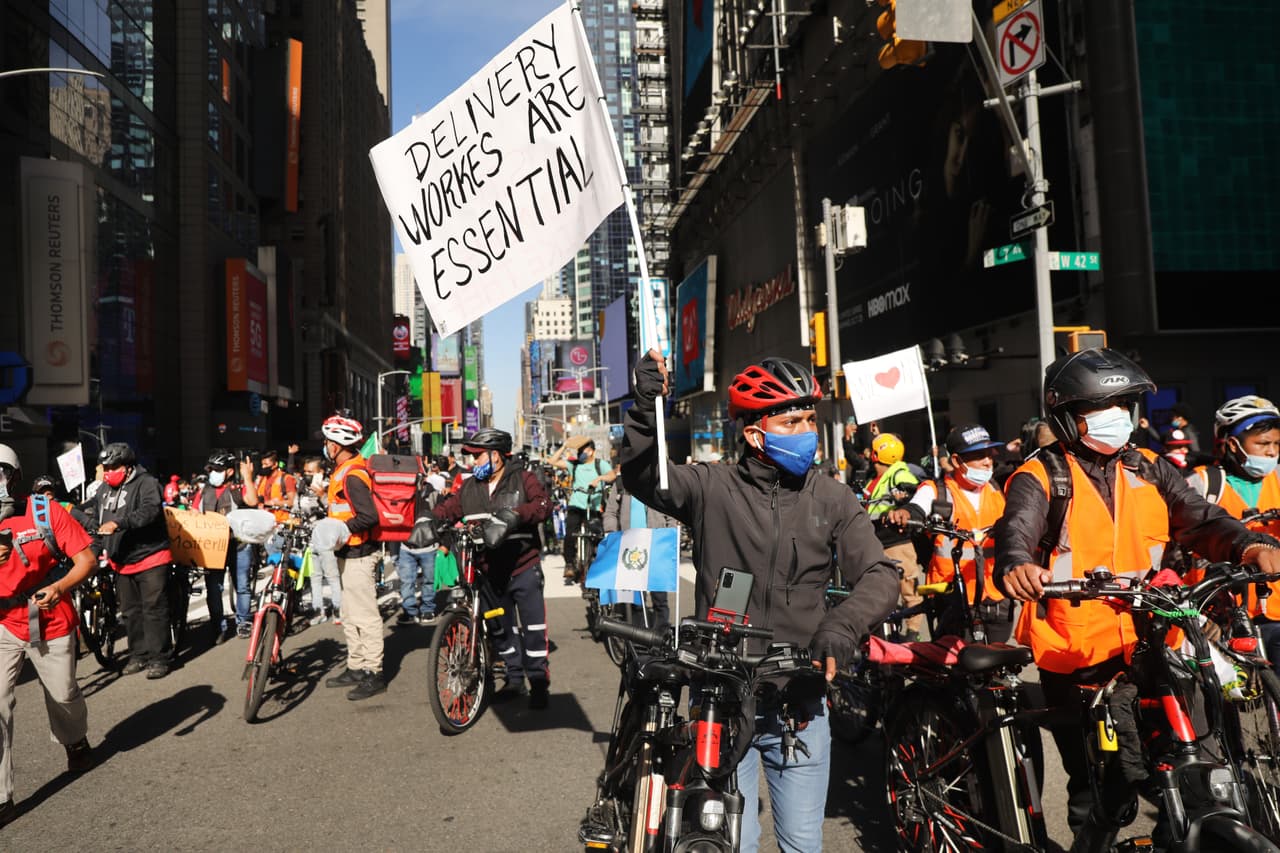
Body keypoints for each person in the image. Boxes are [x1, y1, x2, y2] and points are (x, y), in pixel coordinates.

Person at [994, 348, 1280, 842]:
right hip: (1076, 655)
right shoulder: (1041, 476)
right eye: (1099, 407)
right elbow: (1016, 530)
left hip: (1151, 643)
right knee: (1096, 790)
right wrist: (1017, 563)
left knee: (1183, 763)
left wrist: (1248, 543)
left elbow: (1200, 519)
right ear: (1064, 416)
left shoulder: (1148, 466)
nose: (1116, 417)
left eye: (1123, 404)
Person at [623, 352, 899, 853]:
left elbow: (879, 574)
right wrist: (646, 406)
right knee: (732, 844)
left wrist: (842, 627)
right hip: (721, 706)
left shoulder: (833, 498)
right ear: (754, 433)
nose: (806, 430)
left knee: (802, 845)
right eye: (791, 421)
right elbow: (646, 477)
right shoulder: (712, 487)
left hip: (801, 706)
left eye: (810, 419)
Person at [0, 444, 98, 826]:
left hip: (50, 619)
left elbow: (86, 559)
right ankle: (2, 796)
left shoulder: (44, 511)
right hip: (3, 623)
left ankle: (75, 739)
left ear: (15, 476)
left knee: (63, 695)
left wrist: (59, 588)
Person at [433, 429, 553, 708]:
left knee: (534, 629)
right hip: (488, 572)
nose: (473, 462)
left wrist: (515, 515)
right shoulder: (469, 487)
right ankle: (514, 678)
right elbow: (449, 509)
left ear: (495, 456)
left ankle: (538, 683)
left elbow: (543, 506)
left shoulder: (523, 478)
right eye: (472, 457)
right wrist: (427, 521)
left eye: (477, 456)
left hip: (523, 567)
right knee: (500, 628)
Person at [891, 424, 1013, 642]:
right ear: (957, 461)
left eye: (989, 454)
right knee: (958, 664)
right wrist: (905, 513)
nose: (988, 461)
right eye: (978, 456)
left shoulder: (996, 487)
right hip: (953, 597)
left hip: (996, 596)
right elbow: (917, 507)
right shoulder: (937, 491)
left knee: (997, 661)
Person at [1186, 396, 1280, 670]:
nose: (1272, 452)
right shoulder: (1204, 483)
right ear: (1232, 444)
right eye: (1262, 444)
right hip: (1220, 612)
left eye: (1276, 443)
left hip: (1274, 611)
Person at [92, 442, 176, 679]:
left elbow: (150, 510)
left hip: (150, 555)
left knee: (154, 609)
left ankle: (159, 658)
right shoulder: (103, 489)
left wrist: (119, 523)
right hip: (121, 561)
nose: (108, 472)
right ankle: (138, 655)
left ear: (127, 467)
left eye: (114, 466)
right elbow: (93, 512)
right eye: (105, 467)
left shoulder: (147, 483)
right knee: (130, 612)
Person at [319, 414, 386, 701]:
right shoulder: (343, 470)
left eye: (327, 442)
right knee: (349, 615)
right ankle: (356, 666)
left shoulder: (354, 474)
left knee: (366, 616)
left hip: (360, 554)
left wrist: (342, 528)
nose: (325, 447)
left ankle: (374, 672)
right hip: (346, 552)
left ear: (335, 446)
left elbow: (369, 516)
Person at [191, 449, 259, 643]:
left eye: (217, 469)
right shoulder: (204, 491)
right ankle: (218, 627)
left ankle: (243, 622)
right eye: (211, 469)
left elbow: (253, 501)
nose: (213, 472)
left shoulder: (238, 488)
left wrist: (248, 477)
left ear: (229, 471)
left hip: (238, 546)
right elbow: (194, 512)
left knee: (242, 586)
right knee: (214, 588)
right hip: (213, 548)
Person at [862, 433, 925, 640]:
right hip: (876, 541)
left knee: (909, 589)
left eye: (872, 449)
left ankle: (913, 633)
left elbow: (911, 487)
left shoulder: (898, 471)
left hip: (896, 541)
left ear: (877, 454)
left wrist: (903, 494)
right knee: (882, 590)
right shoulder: (874, 478)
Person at [601, 477, 677, 629]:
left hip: (656, 543)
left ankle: (661, 633)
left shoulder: (659, 482)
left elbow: (671, 512)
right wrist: (611, 533)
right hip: (631, 545)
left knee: (659, 597)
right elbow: (610, 512)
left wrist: (671, 534)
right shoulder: (621, 483)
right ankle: (639, 634)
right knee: (636, 598)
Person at [549, 438, 616, 582]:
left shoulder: (600, 464)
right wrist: (565, 446)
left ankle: (597, 565)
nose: (580, 454)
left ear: (591, 451)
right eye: (579, 451)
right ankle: (569, 564)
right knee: (570, 534)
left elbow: (612, 476)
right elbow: (552, 461)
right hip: (576, 505)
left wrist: (599, 479)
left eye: (583, 451)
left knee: (597, 536)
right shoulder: (574, 465)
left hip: (594, 506)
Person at [297, 456, 341, 624]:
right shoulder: (303, 487)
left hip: (326, 538)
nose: (307, 475)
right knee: (314, 577)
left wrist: (322, 495)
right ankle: (318, 610)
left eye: (311, 472)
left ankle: (338, 609)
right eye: (305, 472)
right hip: (309, 539)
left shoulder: (329, 487)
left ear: (321, 472)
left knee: (332, 576)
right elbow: (298, 508)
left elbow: (334, 510)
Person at [396, 468, 439, 626]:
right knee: (407, 581)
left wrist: (445, 544)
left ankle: (428, 609)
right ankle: (410, 611)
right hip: (407, 546)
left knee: (429, 580)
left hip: (429, 546)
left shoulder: (433, 495)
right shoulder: (401, 497)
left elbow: (442, 519)